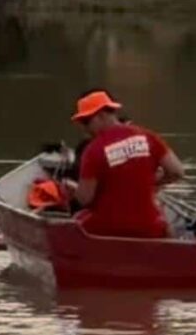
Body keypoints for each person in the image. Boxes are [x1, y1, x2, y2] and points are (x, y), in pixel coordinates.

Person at [66, 90, 185, 238]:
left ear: (101, 115)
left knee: (75, 221)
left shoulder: (93, 150)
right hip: (150, 228)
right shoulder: (148, 137)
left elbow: (85, 199)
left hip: (105, 229)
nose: (84, 128)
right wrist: (151, 183)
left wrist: (71, 192)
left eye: (86, 122)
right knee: (166, 227)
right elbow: (178, 172)